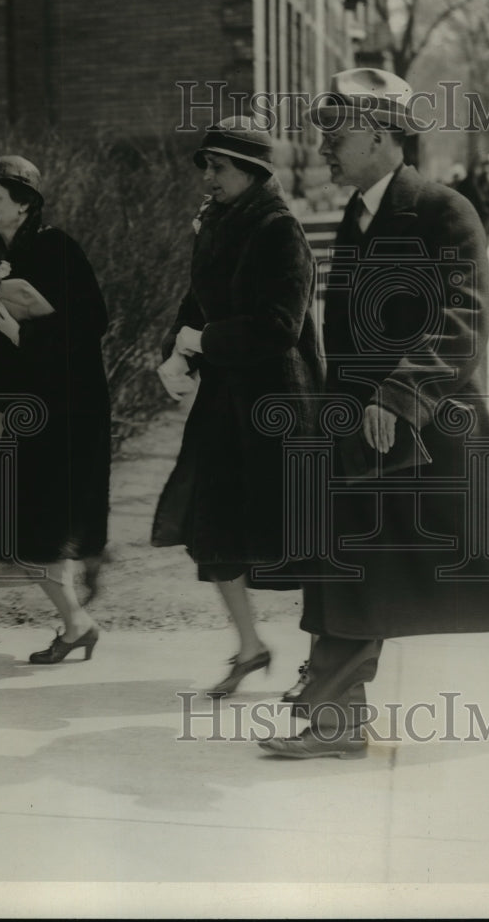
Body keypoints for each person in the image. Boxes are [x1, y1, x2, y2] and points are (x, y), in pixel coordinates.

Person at [260, 68, 489, 759]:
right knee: (349, 563)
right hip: (362, 430)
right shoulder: (360, 216)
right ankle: (336, 722)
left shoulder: (443, 209)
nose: (324, 143)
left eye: (338, 130)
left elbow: (463, 319)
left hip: (436, 430)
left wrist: (399, 396)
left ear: (385, 135)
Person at [151, 117, 323, 697]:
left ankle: (325, 666)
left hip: (280, 408)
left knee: (299, 541)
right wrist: (177, 352)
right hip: (227, 403)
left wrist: (204, 342)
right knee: (214, 527)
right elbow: (197, 300)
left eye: (218, 166)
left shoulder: (279, 230)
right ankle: (250, 647)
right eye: (206, 165)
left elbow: (281, 326)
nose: (208, 176)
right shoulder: (219, 223)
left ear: (251, 171)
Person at [0, 156, 111, 663]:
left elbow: (91, 323)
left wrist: (28, 332)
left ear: (25, 204)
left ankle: (80, 604)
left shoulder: (57, 249)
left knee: (29, 525)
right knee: (14, 524)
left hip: (66, 412)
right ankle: (78, 615)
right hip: (22, 413)